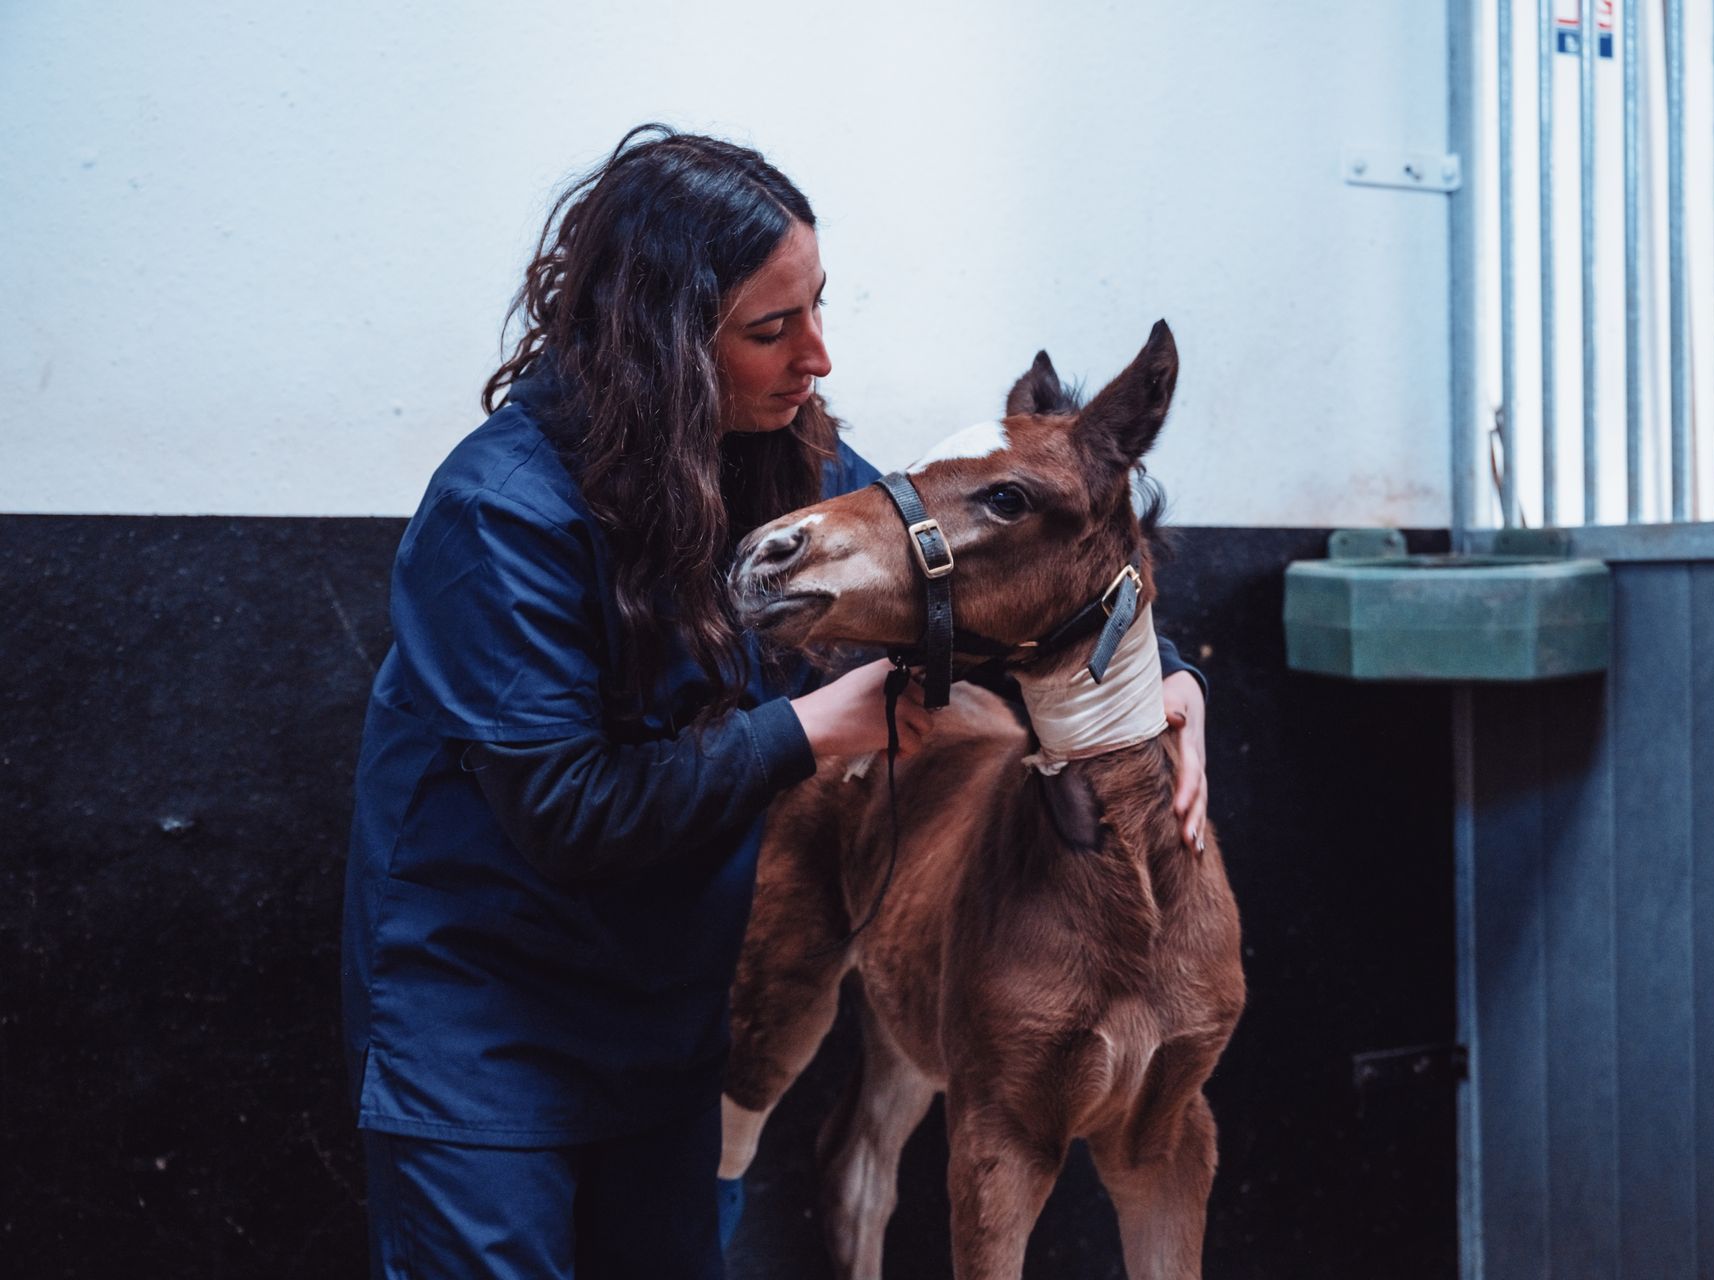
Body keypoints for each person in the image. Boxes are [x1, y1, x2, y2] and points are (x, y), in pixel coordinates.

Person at [340, 124, 1211, 1279]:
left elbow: (968, 583)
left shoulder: (780, 456)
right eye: (771, 329)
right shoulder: (500, 512)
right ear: (663, 341)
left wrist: (1165, 675)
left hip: (665, 1016)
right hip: (487, 1035)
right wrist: (813, 726)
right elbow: (568, 809)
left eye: (817, 309)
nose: (819, 357)